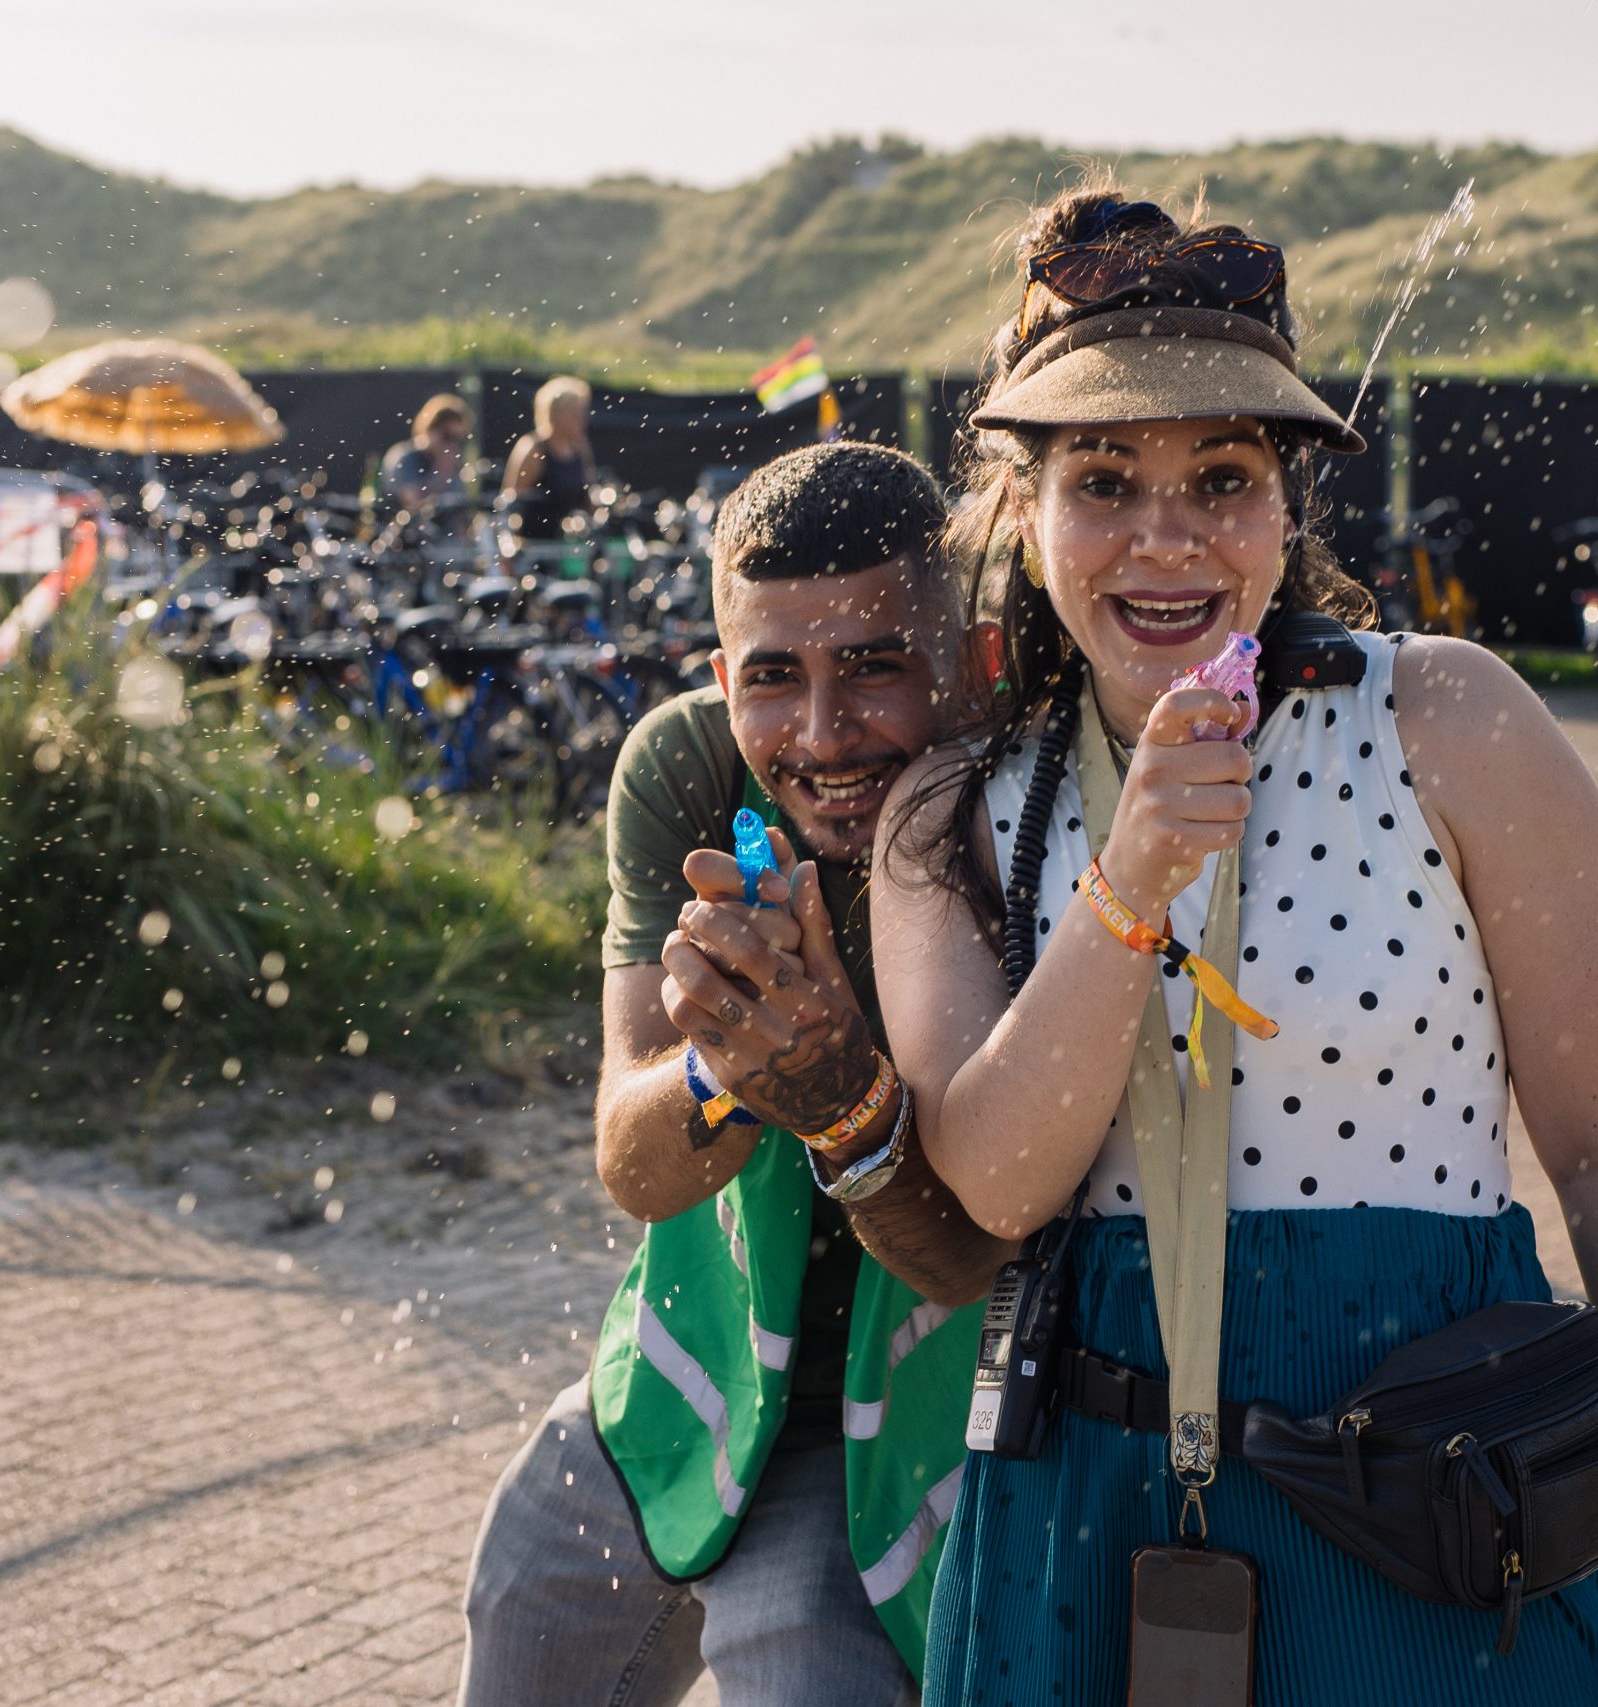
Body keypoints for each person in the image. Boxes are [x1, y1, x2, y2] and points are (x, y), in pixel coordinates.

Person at [872, 188, 1598, 1707]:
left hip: (1429, 1500)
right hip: (1073, 1516)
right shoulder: (959, 805)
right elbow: (996, 1177)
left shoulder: (1454, 719)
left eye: (1222, 475)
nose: (1165, 537)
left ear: (1288, 507)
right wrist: (1137, 868)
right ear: (1025, 516)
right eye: (1104, 478)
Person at [457, 442, 1017, 1707]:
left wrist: (842, 1098)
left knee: (795, 1660)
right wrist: (729, 1062)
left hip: (901, 1416)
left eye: (875, 664)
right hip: (682, 1373)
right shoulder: (690, 771)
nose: (821, 734)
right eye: (774, 678)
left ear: (970, 665)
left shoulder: (1020, 808)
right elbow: (631, 1162)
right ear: (722, 679)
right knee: (521, 1607)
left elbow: (968, 1253)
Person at [499, 373, 601, 539]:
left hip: (570, 547)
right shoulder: (533, 449)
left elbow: (588, 495)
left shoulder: (581, 447)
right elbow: (511, 503)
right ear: (557, 414)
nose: (584, 419)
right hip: (534, 546)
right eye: (576, 413)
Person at [381, 392, 471, 520]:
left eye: (457, 438)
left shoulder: (451, 464)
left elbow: (458, 514)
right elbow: (413, 505)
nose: (451, 445)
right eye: (447, 436)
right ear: (431, 430)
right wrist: (442, 473)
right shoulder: (406, 457)